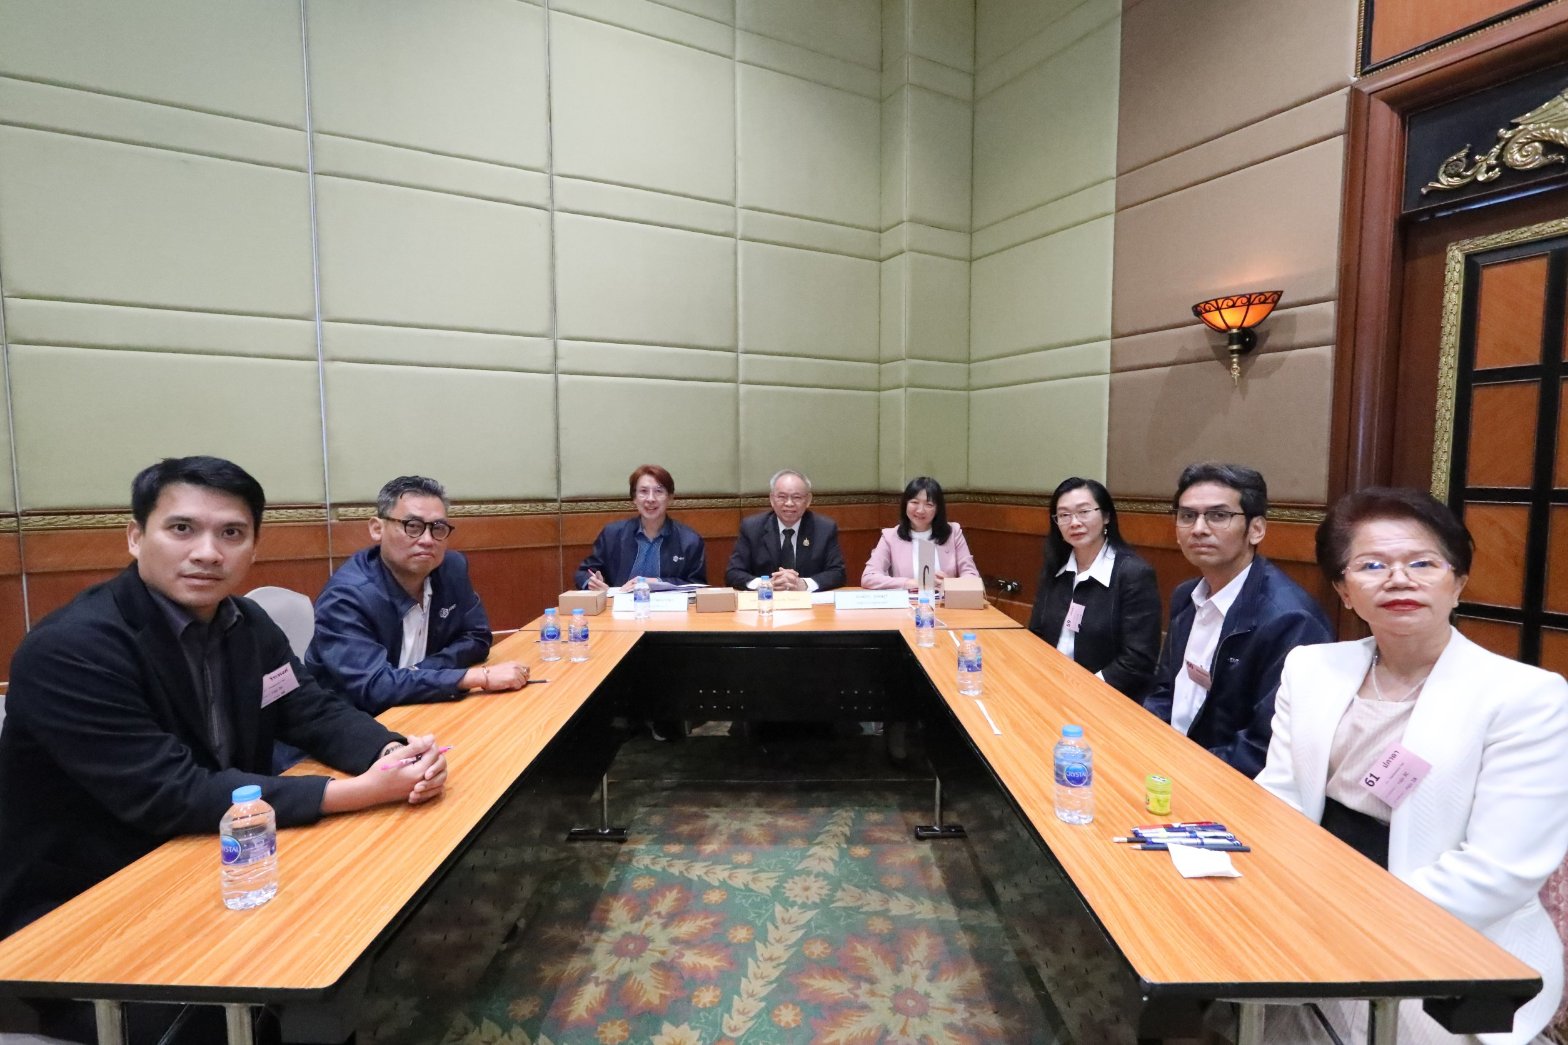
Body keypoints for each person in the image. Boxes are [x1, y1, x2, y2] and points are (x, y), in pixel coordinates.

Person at [0, 457, 447, 1038]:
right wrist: (357, 793)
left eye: (231, 533)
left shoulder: (245, 623)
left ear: (253, 547)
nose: (207, 552)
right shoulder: (73, 649)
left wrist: (389, 753)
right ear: (135, 537)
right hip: (86, 903)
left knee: (362, 923)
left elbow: (308, 709)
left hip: (214, 856)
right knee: (235, 1017)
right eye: (182, 529)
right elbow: (172, 793)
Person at [1252, 488, 1568, 1044]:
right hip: (1312, 899)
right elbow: (1279, 797)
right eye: (1372, 565)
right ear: (1344, 590)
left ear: (1458, 582)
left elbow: (1499, 872)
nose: (1399, 580)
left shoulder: (1525, 696)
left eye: (1422, 563)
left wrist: (1347, 924)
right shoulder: (1311, 668)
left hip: (1454, 939)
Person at [1143, 462, 1333, 777]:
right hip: (1168, 762)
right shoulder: (1186, 595)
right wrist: (1144, 743)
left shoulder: (1291, 619)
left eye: (1218, 515)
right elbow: (1165, 690)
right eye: (1187, 516)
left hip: (1223, 781)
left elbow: (1263, 748)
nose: (1198, 528)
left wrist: (1182, 768)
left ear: (1256, 529)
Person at [306, 475, 528, 714]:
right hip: (352, 720)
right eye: (412, 526)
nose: (427, 540)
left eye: (438, 528)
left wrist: (420, 671)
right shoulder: (346, 597)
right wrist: (472, 677)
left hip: (419, 705)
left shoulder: (451, 569)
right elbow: (374, 687)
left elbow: (477, 637)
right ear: (377, 529)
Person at [1028, 477, 1161, 700]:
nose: (1074, 522)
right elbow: (1037, 634)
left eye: (1084, 512)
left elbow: (1137, 660)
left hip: (1105, 697)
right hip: (1052, 688)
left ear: (1106, 516)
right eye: (1064, 515)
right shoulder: (1056, 569)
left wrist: (1083, 690)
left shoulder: (1133, 574)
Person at [574, 464, 707, 591]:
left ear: (670, 498)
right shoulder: (612, 535)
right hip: (618, 606)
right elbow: (584, 573)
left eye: (658, 491)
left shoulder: (690, 541)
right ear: (634, 498)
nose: (651, 499)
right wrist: (592, 582)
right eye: (643, 491)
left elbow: (698, 585)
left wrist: (657, 583)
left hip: (670, 607)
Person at [726, 469, 846, 592]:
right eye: (782, 497)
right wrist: (766, 584)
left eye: (796, 497)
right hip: (766, 599)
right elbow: (733, 573)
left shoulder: (824, 528)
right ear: (772, 499)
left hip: (808, 602)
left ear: (808, 500)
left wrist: (804, 584)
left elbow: (838, 573)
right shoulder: (752, 527)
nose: (789, 503)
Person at [860, 476, 979, 591]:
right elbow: (869, 577)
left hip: (944, 602)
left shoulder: (953, 533)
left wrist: (951, 584)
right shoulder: (890, 536)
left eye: (929, 504)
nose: (920, 510)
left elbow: (972, 576)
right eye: (914, 502)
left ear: (938, 509)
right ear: (905, 504)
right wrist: (912, 583)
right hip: (907, 603)